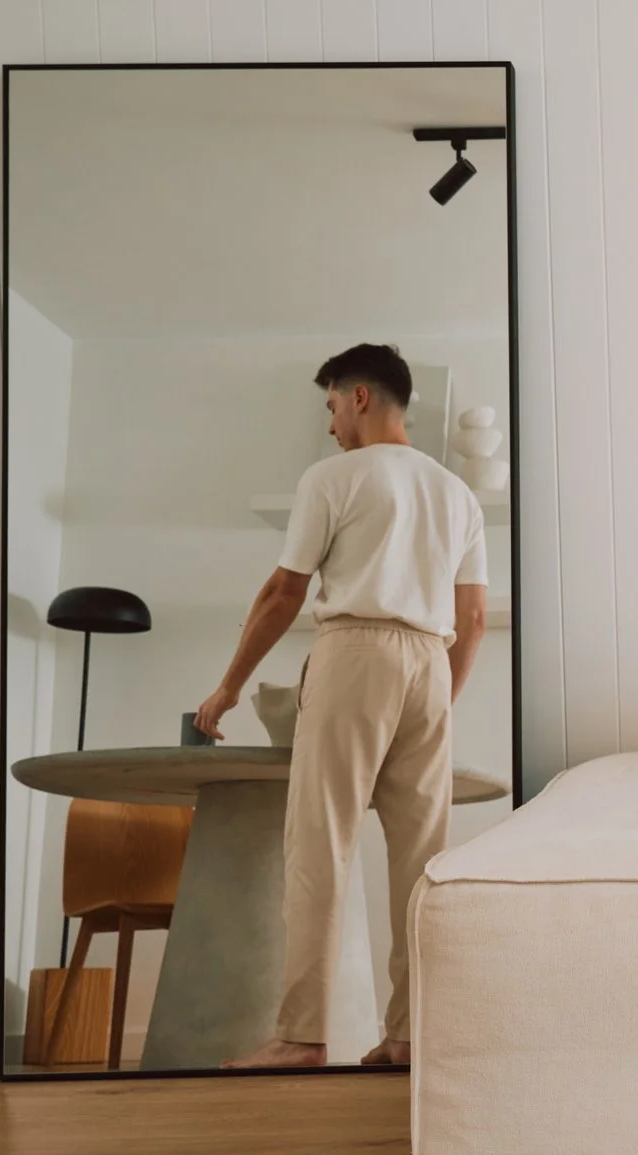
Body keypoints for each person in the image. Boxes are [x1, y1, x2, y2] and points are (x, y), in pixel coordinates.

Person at [195, 344, 489, 1069]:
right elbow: (474, 615)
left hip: (355, 652)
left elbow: (282, 593)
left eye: (331, 406)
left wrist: (230, 685)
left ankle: (301, 1034)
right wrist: (440, 700)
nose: (330, 425)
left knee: (319, 844)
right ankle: (410, 1036)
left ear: (359, 397)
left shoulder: (332, 477)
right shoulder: (458, 494)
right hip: (430, 660)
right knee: (422, 860)